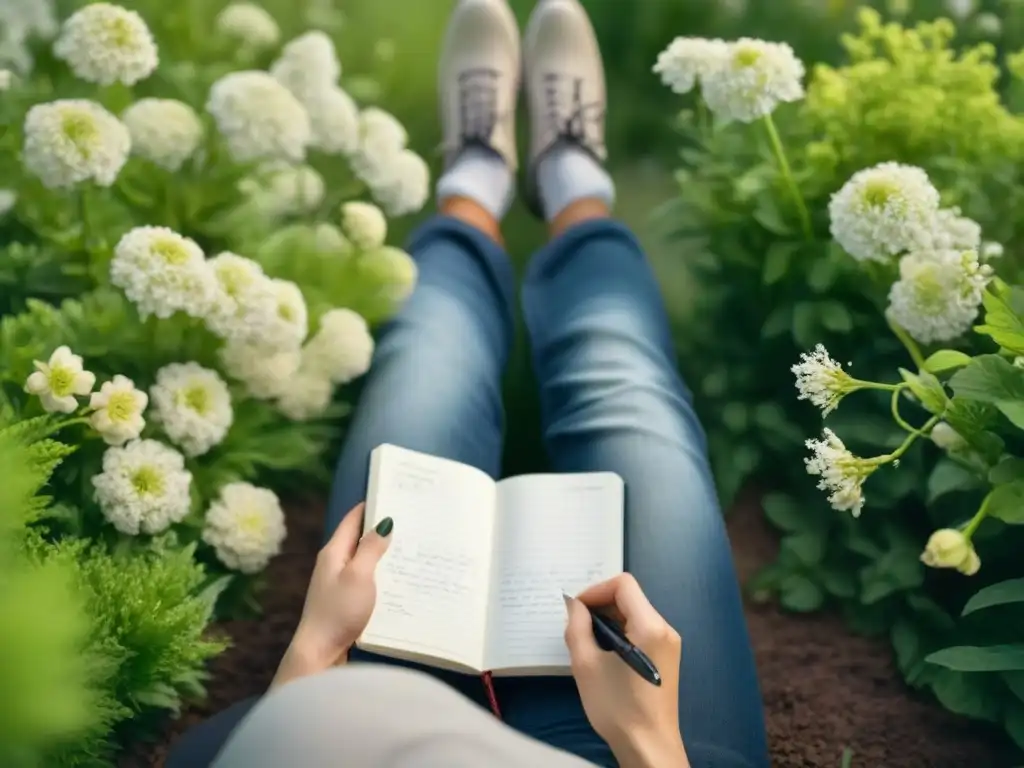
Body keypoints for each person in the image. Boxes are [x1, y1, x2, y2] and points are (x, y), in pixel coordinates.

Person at [166, 0, 769, 766]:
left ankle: (474, 182)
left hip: (381, 729)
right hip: (636, 753)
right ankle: (573, 181)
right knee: (629, 390)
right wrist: (650, 740)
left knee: (422, 366)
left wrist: (314, 656)